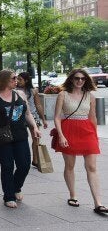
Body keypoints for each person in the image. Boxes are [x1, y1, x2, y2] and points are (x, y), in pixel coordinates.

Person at [0, 69, 41, 208]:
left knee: (24, 165)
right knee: (7, 166)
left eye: (17, 78)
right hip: (2, 137)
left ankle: (16, 187)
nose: (16, 80)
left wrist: (35, 128)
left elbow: (27, 114)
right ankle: (8, 195)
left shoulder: (20, 94)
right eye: (13, 78)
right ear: (4, 80)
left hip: (20, 135)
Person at [53, 69, 106, 214]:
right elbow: (57, 117)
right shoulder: (62, 94)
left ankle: (98, 203)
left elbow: (93, 117)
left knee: (92, 167)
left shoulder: (90, 96)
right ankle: (73, 195)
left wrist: (95, 136)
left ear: (86, 80)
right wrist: (61, 135)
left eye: (83, 79)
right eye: (77, 78)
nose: (80, 81)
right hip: (68, 130)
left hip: (87, 131)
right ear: (71, 79)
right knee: (70, 165)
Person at [16, 72, 49, 168]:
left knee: (36, 138)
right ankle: (22, 158)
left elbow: (38, 105)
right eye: (17, 79)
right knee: (21, 138)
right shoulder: (14, 90)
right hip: (19, 117)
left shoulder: (33, 91)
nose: (18, 81)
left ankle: (35, 159)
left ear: (26, 80)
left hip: (33, 116)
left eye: (20, 79)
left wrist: (43, 119)